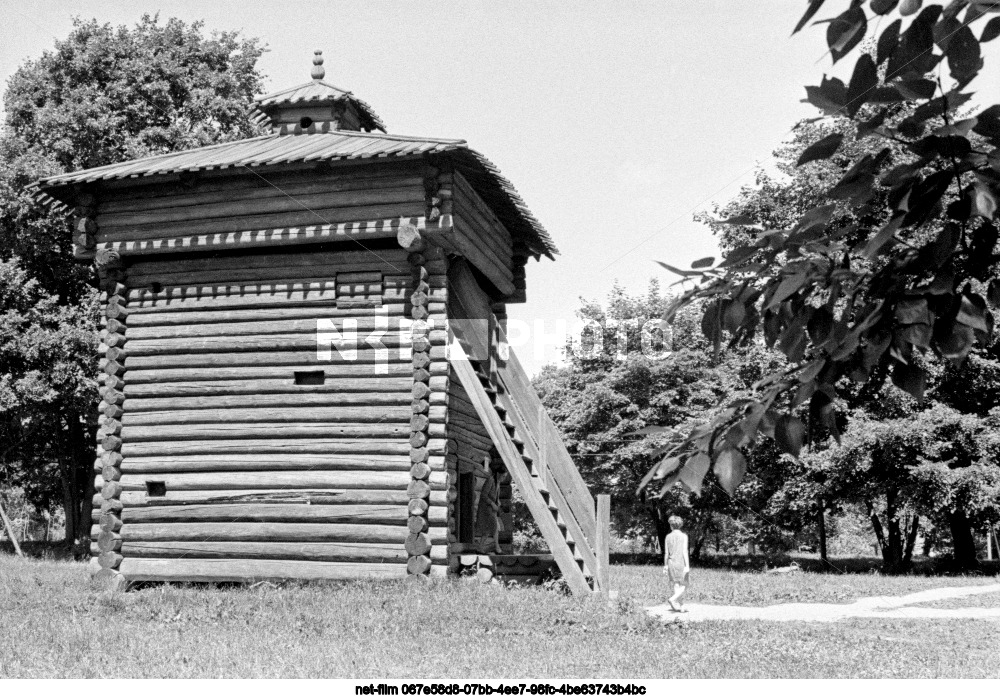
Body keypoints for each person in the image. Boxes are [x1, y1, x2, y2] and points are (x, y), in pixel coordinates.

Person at [663, 515, 690, 612]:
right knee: (685, 584)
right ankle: (673, 599)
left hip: (671, 562)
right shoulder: (684, 536)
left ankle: (681, 606)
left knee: (676, 584)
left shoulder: (668, 536)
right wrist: (687, 566)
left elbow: (666, 553)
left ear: (671, 525)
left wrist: (665, 565)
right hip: (681, 562)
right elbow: (684, 551)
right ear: (680, 525)